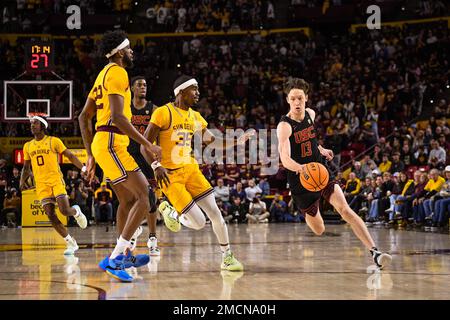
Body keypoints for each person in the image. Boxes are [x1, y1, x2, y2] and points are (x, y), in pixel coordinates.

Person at [276, 77, 392, 269]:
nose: (297, 102)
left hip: (320, 171)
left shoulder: (310, 115)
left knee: (345, 209)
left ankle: (375, 252)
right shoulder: (284, 126)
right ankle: (309, 210)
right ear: (288, 100)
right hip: (300, 180)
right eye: (293, 99)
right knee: (319, 229)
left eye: (301, 98)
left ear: (306, 98)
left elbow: (311, 140)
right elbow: (285, 158)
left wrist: (320, 150)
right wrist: (301, 168)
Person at [141, 75, 253, 271]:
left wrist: (237, 140)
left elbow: (213, 141)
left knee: (215, 213)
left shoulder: (195, 116)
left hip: (191, 170)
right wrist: (156, 166)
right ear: (181, 92)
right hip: (170, 175)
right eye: (194, 89)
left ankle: (227, 257)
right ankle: (171, 212)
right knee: (200, 223)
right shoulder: (163, 113)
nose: (198, 92)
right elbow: (144, 146)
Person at [79, 30, 162, 282]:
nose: (132, 52)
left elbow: (84, 117)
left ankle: (124, 251)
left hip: (104, 144)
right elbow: (117, 117)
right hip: (113, 142)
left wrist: (90, 155)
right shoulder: (117, 72)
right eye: (129, 48)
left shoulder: (102, 75)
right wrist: (148, 142)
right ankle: (116, 259)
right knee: (146, 196)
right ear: (118, 52)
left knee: (127, 201)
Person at [20, 115, 88, 255]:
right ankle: (70, 242)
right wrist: (22, 181)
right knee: (50, 215)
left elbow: (70, 156)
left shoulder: (53, 141)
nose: (32, 125)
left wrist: (83, 169)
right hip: (41, 184)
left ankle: (76, 212)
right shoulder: (27, 146)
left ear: (43, 126)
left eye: (36, 123)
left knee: (64, 211)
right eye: (31, 123)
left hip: (56, 180)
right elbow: (26, 167)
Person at [127, 75, 160, 256]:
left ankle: (152, 238)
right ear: (132, 88)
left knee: (151, 199)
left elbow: (160, 134)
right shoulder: (126, 108)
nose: (143, 87)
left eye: (145, 85)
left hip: (147, 157)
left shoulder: (153, 109)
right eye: (139, 85)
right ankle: (133, 230)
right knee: (132, 198)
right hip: (129, 156)